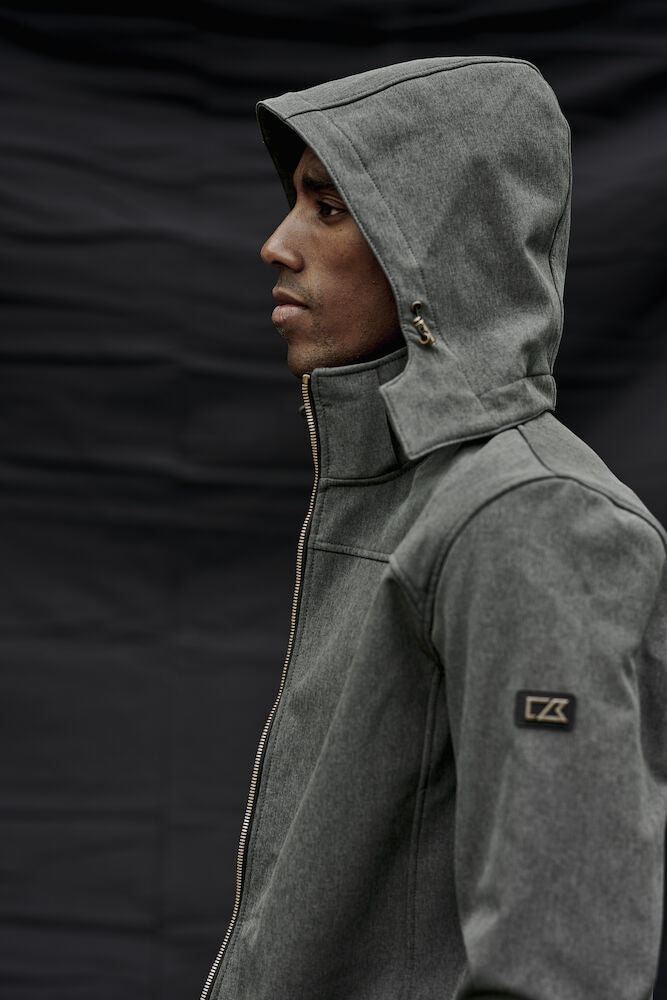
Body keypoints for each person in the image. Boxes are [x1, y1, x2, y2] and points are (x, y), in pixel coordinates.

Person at [200, 56, 667, 1000]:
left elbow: (559, 963)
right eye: (295, 202)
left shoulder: (534, 516)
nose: (277, 244)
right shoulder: (402, 490)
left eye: (330, 207)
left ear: (439, 245)